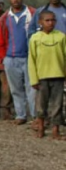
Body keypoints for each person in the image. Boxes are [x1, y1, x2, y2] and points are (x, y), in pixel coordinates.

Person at [0, 0, 37, 125]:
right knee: (16, 89)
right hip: (11, 58)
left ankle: (36, 117)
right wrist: (3, 58)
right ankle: (21, 115)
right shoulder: (4, 18)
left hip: (29, 57)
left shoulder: (32, 13)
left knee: (33, 89)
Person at [28, 10, 66, 139]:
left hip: (58, 76)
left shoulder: (61, 36)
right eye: (47, 20)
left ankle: (55, 130)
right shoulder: (35, 38)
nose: (51, 23)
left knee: (57, 104)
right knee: (41, 104)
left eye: (53, 20)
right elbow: (31, 60)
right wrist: (34, 79)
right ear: (40, 22)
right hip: (42, 77)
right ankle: (41, 128)